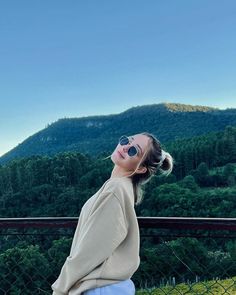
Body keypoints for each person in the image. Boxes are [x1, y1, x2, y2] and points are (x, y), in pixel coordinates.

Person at [51, 132, 174, 295]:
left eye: (133, 151)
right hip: (109, 286)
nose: (125, 148)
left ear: (142, 168)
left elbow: (90, 251)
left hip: (99, 288)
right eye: (126, 141)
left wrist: (60, 289)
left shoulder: (116, 189)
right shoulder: (123, 187)